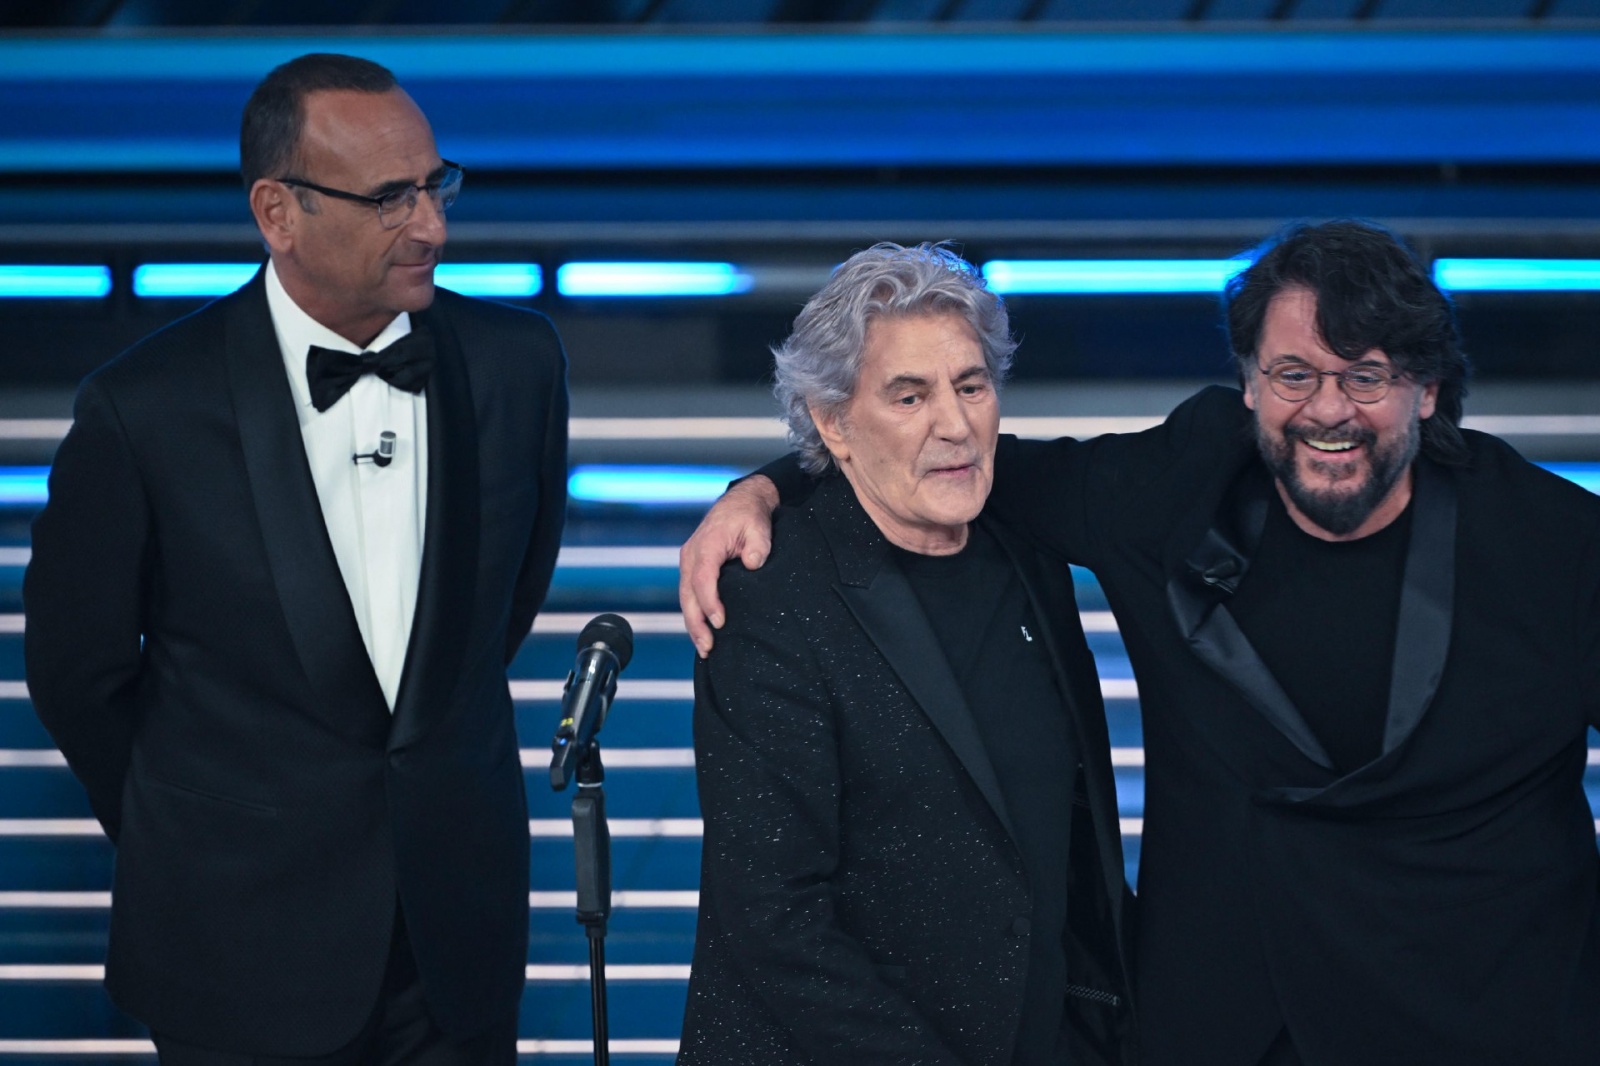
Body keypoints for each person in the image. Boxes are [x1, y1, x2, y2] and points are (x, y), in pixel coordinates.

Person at [680, 220, 1600, 1065]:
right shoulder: (1173, 485)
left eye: (1366, 375)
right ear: (1249, 384)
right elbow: (943, 463)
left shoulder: (1557, 546)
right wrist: (765, 486)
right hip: (1236, 1030)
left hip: (1490, 1025)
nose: (1330, 410)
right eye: (1294, 375)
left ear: (1428, 389)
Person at [24, 53, 568, 1064]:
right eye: (390, 198)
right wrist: (196, 826)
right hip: (234, 950)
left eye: (436, 185)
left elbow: (500, 615)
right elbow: (75, 673)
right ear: (278, 212)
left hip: (457, 950)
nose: (433, 227)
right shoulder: (142, 409)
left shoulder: (518, 364)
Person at [676, 243, 1133, 1066]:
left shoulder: (1026, 555)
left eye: (971, 385)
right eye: (909, 395)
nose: (954, 424)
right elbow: (775, 921)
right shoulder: (772, 595)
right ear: (833, 422)